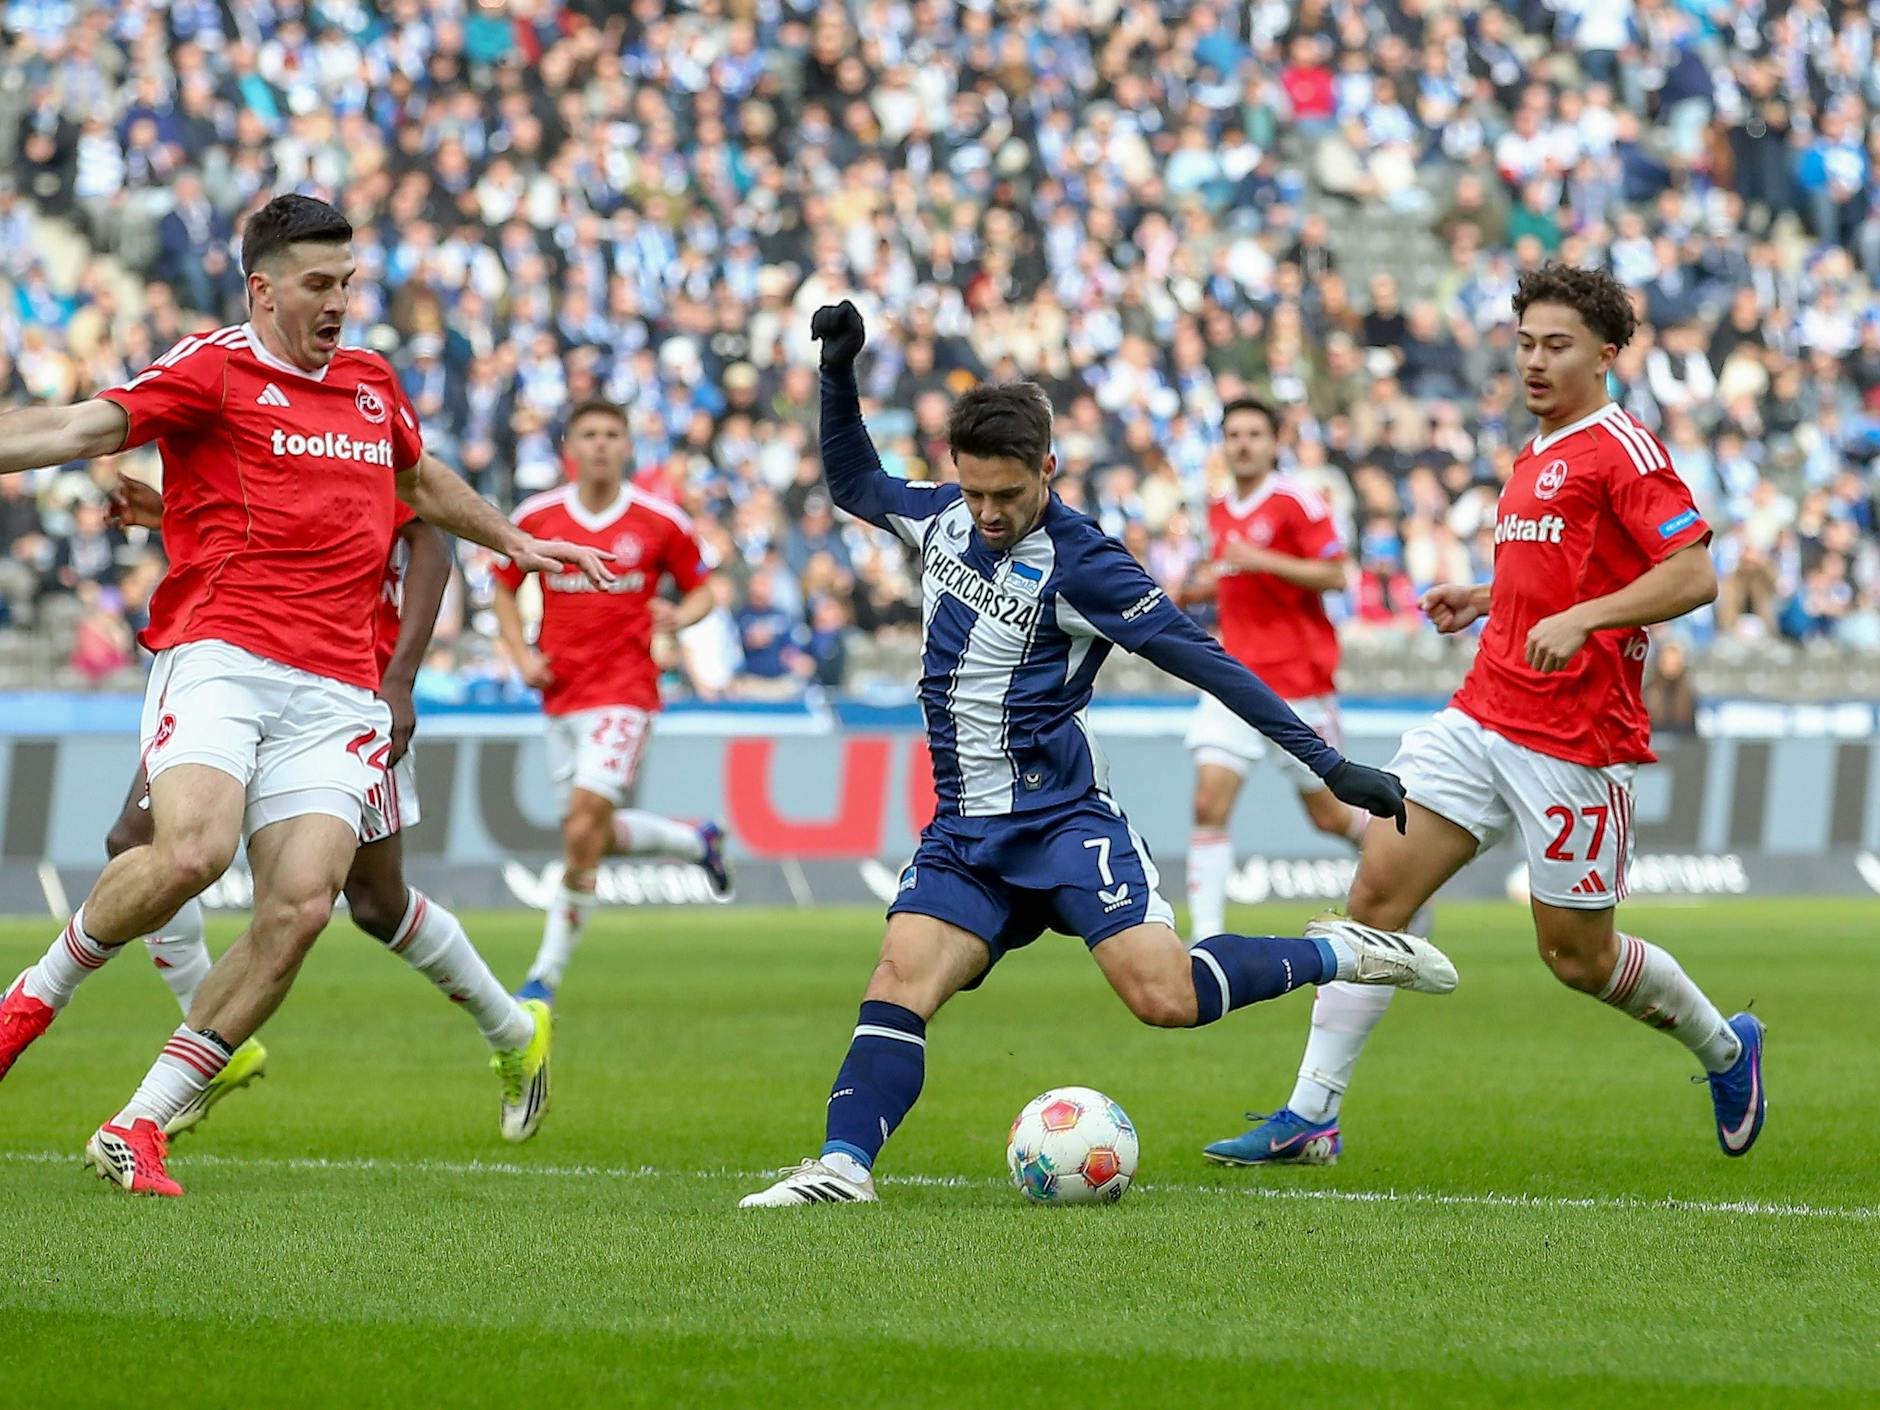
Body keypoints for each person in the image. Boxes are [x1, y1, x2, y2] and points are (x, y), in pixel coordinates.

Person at [740, 302, 1457, 1209]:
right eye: (974, 492)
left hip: (1062, 822)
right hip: (966, 832)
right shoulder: (943, 519)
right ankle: (843, 1168)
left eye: (1008, 494)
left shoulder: (1086, 564)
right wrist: (838, 372)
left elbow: (1206, 660)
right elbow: (854, 481)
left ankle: (1337, 952)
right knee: (897, 979)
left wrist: (1328, 764)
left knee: (1166, 999)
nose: (989, 513)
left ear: (1048, 467)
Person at [0, 194, 608, 1196]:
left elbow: (419, 485)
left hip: (339, 688)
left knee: (306, 906)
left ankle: (140, 1124)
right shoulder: (214, 368)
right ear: (263, 289)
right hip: (224, 655)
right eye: (318, 285)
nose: (337, 303)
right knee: (188, 852)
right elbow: (80, 425)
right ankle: (30, 1002)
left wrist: (516, 541)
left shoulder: (371, 386)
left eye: (347, 284)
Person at [1205, 265, 1763, 1168]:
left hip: (1575, 741)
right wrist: (1486, 595)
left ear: (1606, 355)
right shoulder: (1536, 450)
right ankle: (1312, 1115)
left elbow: (1695, 573)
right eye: (1526, 343)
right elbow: (1557, 571)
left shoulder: (1623, 448)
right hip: (1481, 714)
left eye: (1558, 346)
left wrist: (1581, 621)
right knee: (1377, 894)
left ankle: (1727, 1049)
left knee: (1577, 959)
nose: (1535, 362)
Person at [100, 485, 552, 1144]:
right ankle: (209, 1032)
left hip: (346, 689)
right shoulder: (280, 428)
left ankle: (513, 1030)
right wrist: (167, 509)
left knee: (376, 901)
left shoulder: (369, 430)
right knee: (134, 840)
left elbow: (430, 544)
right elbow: (275, 519)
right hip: (248, 666)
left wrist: (398, 680)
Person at [491, 398, 734, 1006]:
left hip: (626, 692)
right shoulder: (538, 516)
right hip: (560, 694)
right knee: (589, 834)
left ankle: (544, 978)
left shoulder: (660, 520)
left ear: (628, 446)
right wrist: (522, 657)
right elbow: (502, 587)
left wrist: (680, 617)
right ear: (570, 447)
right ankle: (695, 842)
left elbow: (704, 590)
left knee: (581, 828)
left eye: (611, 434)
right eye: (589, 434)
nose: (600, 444)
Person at [1175, 398, 1368, 944]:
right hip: (1234, 680)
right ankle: (1206, 942)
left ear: (1274, 442)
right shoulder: (1216, 506)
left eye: (1254, 434)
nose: (1243, 444)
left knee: (1331, 817)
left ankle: (1401, 878)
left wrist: (1262, 560)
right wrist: (1200, 590)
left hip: (1298, 683)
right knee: (1207, 803)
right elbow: (1237, 578)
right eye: (1233, 434)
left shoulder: (1296, 502)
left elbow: (1336, 575)